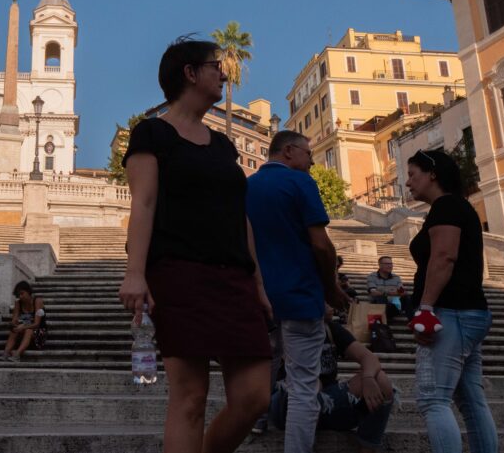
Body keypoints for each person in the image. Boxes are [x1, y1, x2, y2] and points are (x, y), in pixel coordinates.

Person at [118, 37, 271, 453]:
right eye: (214, 66)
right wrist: (135, 275)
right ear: (189, 73)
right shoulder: (151, 133)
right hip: (178, 275)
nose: (223, 73)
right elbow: (143, 203)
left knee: (256, 394)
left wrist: (257, 281)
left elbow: (240, 215)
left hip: (234, 278)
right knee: (189, 399)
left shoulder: (222, 145)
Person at [245, 130, 351, 452]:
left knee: (262, 368)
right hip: (299, 296)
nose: (311, 161)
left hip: (256, 299)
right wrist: (331, 286)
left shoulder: (246, 188)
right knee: (304, 386)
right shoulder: (300, 183)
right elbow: (321, 244)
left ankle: (257, 419)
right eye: (308, 153)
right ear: (289, 151)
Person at [405, 149, 497, 453]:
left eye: (412, 174)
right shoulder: (457, 207)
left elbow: (444, 257)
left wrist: (426, 309)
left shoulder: (446, 207)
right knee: (471, 401)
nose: (408, 183)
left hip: (449, 314)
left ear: (432, 173)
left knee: (433, 399)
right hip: (467, 313)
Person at [270, 306, 394, 453]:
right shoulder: (289, 327)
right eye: (325, 300)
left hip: (329, 401)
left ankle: (367, 448)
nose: (330, 307)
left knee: (381, 380)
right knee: (312, 385)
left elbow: (369, 358)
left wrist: (368, 378)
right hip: (289, 401)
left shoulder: (330, 329)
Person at [0, 281, 46, 362]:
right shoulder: (18, 303)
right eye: (18, 295)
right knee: (14, 330)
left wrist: (23, 326)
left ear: (28, 292)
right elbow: (14, 319)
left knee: (28, 330)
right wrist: (13, 324)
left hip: (39, 333)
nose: (20, 297)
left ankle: (17, 355)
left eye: (22, 293)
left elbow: (37, 324)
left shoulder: (38, 301)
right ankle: (6, 353)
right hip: (23, 333)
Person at [367, 256, 412, 321]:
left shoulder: (396, 277)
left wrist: (399, 292)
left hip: (394, 305)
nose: (390, 266)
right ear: (380, 265)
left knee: (406, 297)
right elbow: (373, 292)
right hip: (378, 306)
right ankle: (383, 322)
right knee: (380, 297)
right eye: (387, 264)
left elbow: (403, 292)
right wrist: (389, 292)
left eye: (391, 264)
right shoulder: (372, 276)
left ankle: (412, 322)